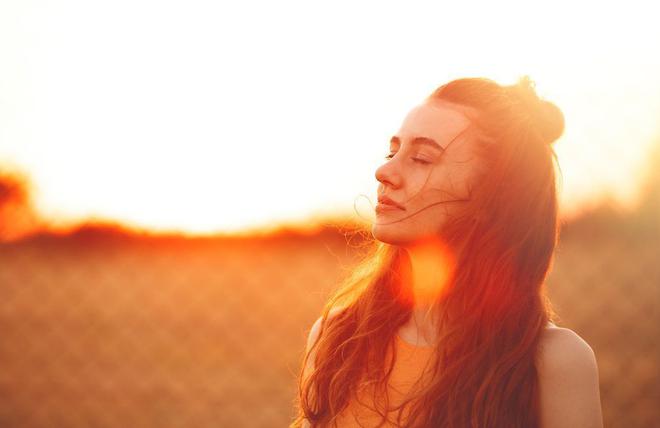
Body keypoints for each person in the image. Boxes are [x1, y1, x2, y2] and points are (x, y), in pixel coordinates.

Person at [291, 76, 604, 427]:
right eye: (392, 152)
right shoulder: (338, 338)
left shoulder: (552, 363)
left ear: (493, 196)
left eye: (422, 158)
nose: (384, 172)